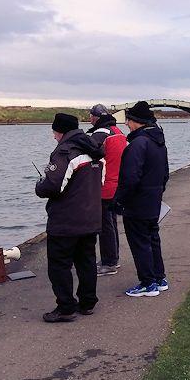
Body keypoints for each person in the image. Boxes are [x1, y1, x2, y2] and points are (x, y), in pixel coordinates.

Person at [36, 113, 104, 322]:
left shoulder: (65, 152)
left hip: (66, 220)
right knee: (87, 261)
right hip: (90, 217)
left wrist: (40, 184)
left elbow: (53, 186)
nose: (54, 137)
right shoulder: (95, 151)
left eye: (54, 132)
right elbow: (99, 182)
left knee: (59, 264)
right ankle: (87, 302)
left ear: (60, 131)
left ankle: (65, 307)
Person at [114, 101, 170, 297]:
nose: (127, 125)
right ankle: (159, 277)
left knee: (139, 242)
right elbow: (165, 174)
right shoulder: (158, 142)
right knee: (152, 238)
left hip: (137, 202)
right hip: (153, 200)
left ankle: (147, 283)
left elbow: (130, 178)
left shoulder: (137, 144)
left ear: (136, 121)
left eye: (128, 121)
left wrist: (119, 200)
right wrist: (157, 192)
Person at [87, 104, 127, 276]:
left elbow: (88, 153)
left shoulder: (100, 133)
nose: (89, 119)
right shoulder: (118, 132)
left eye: (90, 116)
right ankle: (112, 258)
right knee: (111, 223)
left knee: (104, 225)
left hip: (104, 185)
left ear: (95, 117)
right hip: (117, 184)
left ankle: (109, 262)